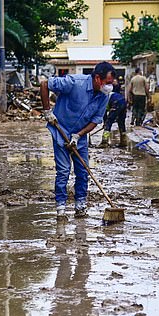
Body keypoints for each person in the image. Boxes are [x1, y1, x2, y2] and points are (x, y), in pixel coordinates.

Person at [40, 62, 115, 220]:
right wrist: (47, 111)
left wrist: (78, 135)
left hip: (79, 138)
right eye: (107, 82)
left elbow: (95, 120)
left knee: (83, 172)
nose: (109, 86)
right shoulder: (74, 82)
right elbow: (45, 84)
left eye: (111, 83)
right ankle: (61, 208)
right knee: (63, 171)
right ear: (97, 78)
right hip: (60, 131)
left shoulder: (103, 96)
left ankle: (80, 206)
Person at [99, 78, 128, 148]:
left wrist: (105, 124)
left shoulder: (103, 99)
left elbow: (104, 114)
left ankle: (104, 141)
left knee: (109, 122)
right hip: (123, 101)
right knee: (121, 122)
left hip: (116, 102)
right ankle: (123, 140)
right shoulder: (108, 94)